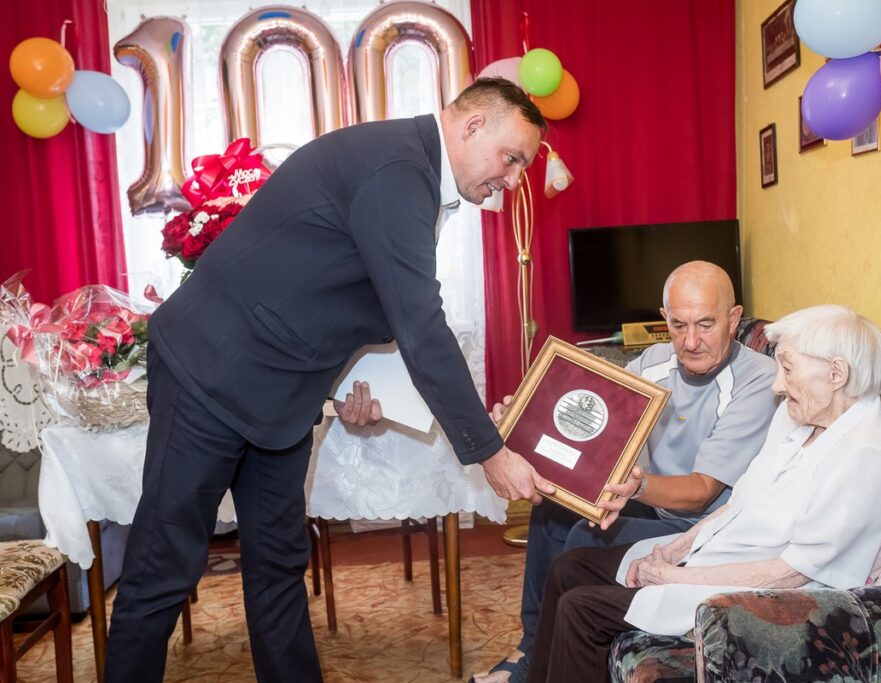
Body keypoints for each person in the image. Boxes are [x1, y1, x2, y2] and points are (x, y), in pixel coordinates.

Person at [104, 78, 554, 683]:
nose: (514, 178)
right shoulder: (398, 168)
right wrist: (490, 453)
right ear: (473, 127)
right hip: (209, 374)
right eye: (513, 158)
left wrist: (351, 390)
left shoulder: (412, 168)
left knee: (279, 565)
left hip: (281, 395)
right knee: (163, 568)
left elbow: (351, 296)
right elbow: (420, 324)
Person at [525, 304, 881, 683]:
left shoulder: (868, 451)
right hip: (720, 555)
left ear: (836, 374)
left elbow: (791, 573)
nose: (777, 385)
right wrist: (675, 551)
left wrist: (673, 579)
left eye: (788, 369)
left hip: (757, 595)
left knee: (582, 610)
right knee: (569, 567)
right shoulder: (797, 416)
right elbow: (739, 501)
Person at [473, 261, 779, 683]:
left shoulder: (757, 382)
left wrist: (635, 488)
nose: (690, 342)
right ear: (663, 319)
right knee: (550, 512)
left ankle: (537, 664)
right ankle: (532, 643)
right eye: (678, 325)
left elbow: (700, 493)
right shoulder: (653, 361)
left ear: (733, 318)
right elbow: (593, 422)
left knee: (586, 534)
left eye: (706, 324)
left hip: (703, 530)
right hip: (656, 507)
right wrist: (521, 422)